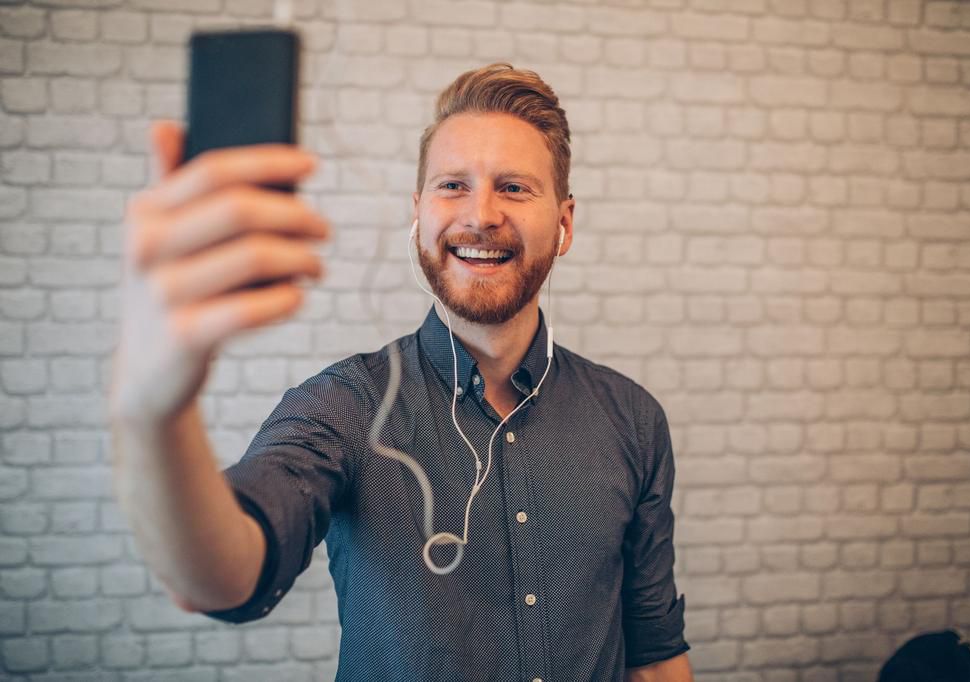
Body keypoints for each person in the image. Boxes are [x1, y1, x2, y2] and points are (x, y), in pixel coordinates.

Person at [111, 63, 692, 682]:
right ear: (419, 215)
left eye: (514, 188)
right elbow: (220, 576)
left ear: (566, 223)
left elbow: (654, 656)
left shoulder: (632, 418)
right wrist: (152, 411)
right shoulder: (344, 405)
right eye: (453, 186)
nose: (482, 215)